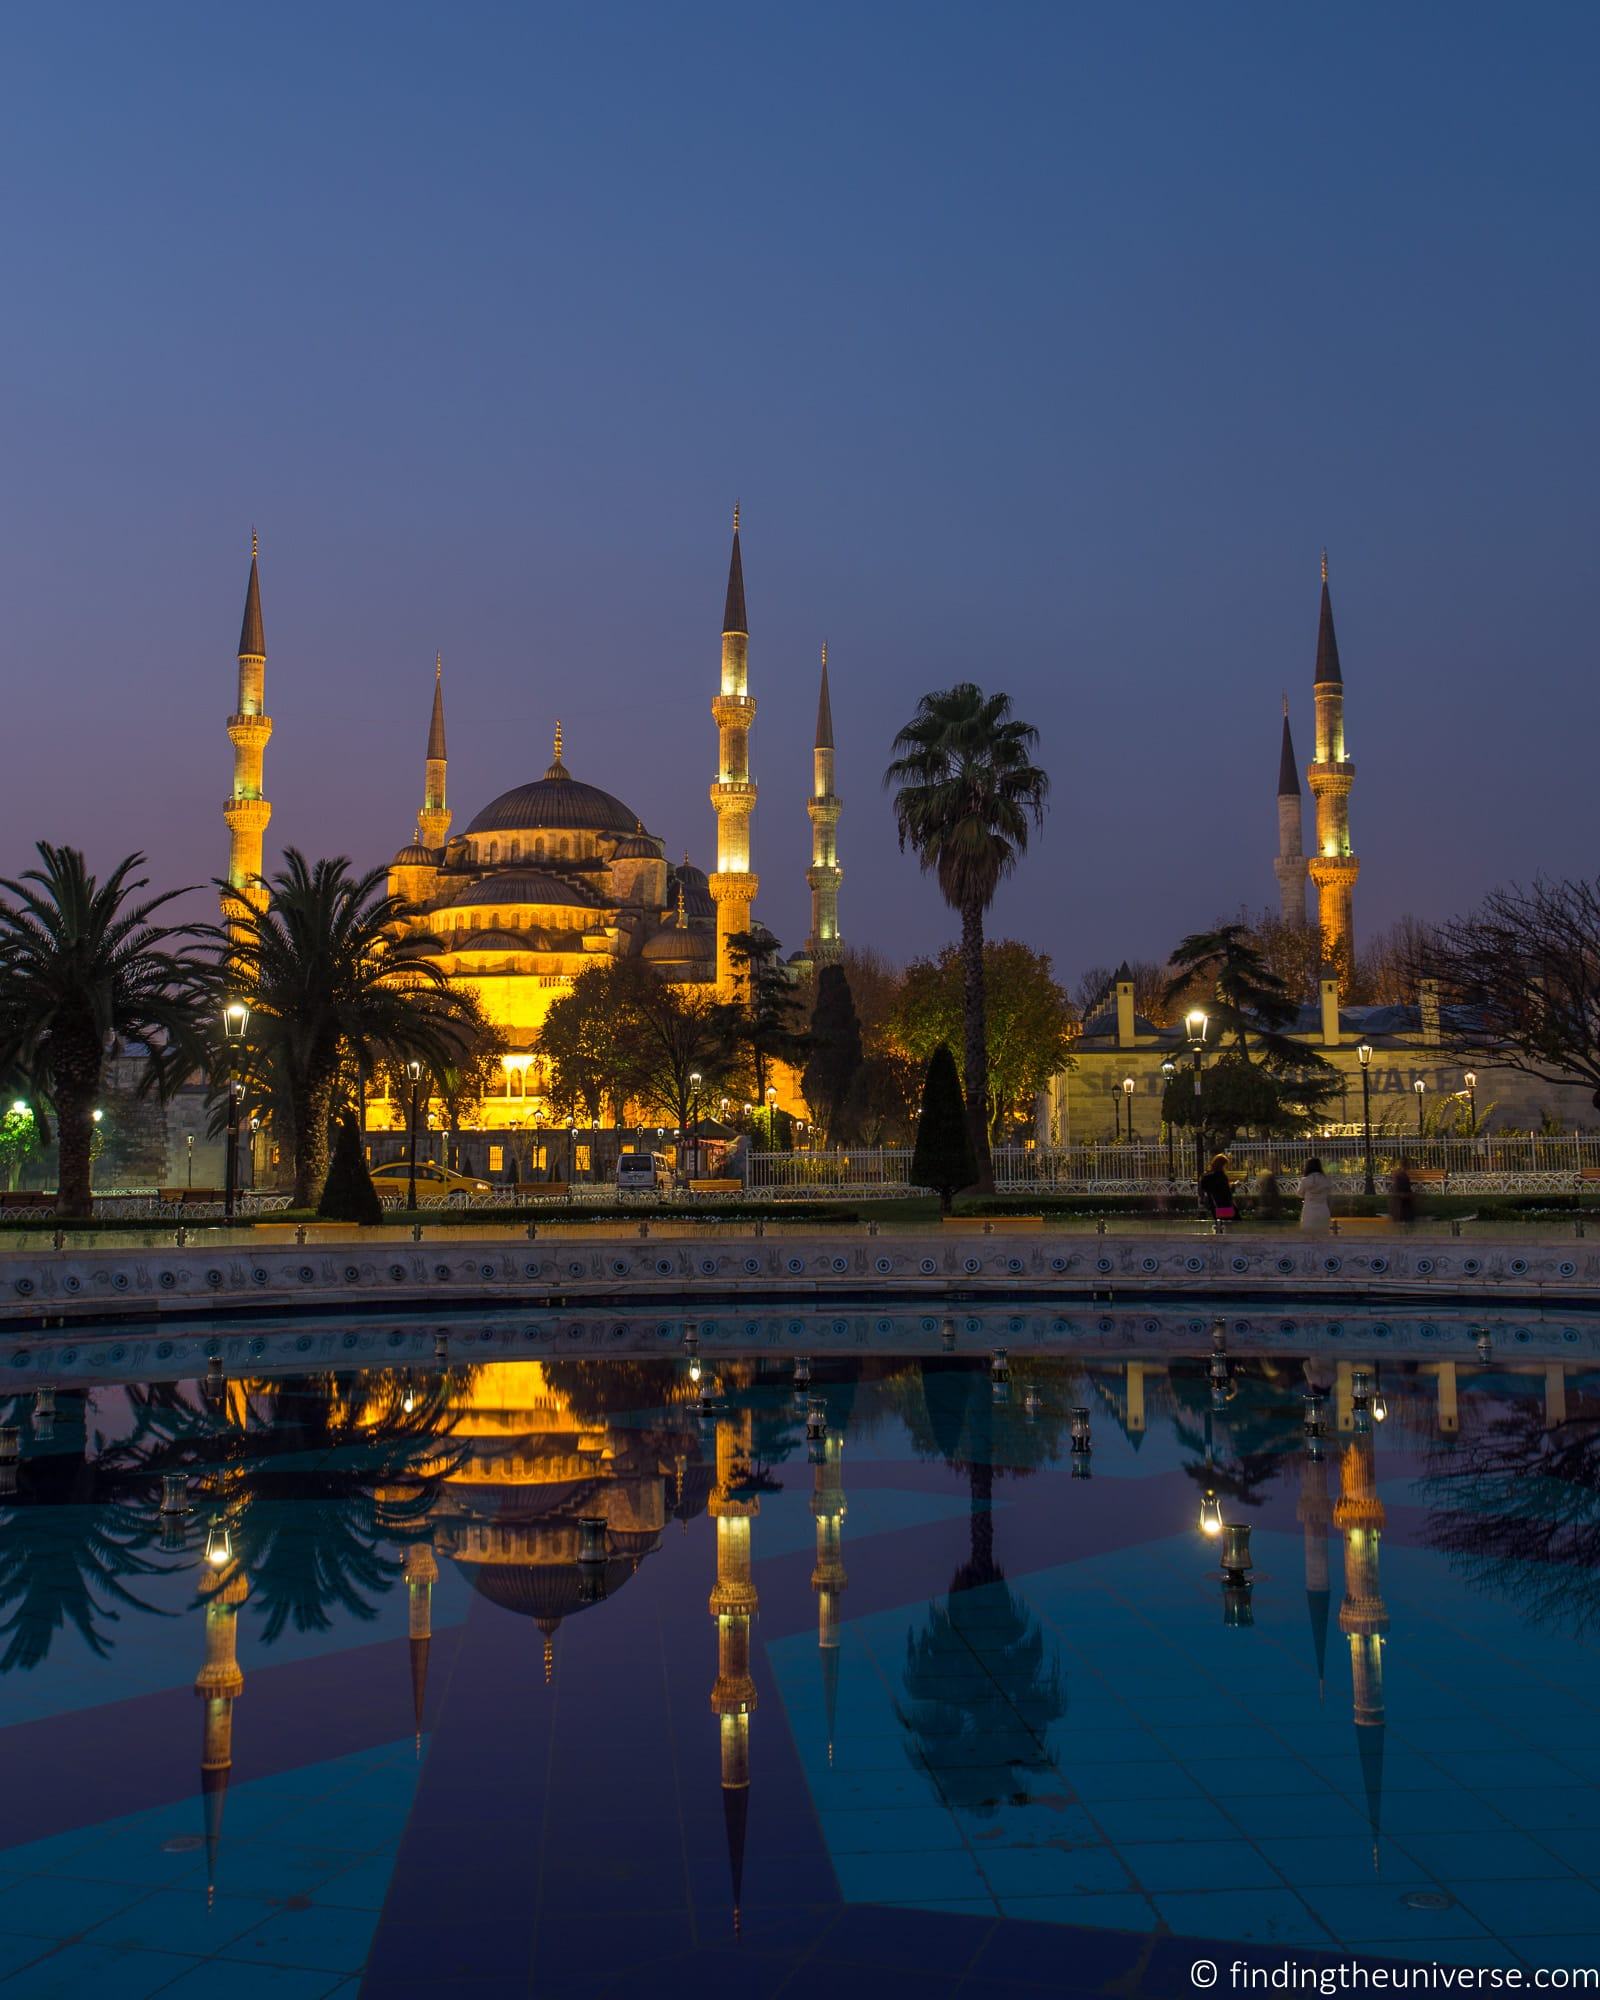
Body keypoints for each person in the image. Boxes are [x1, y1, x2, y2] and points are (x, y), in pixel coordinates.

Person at [1299, 1156, 1334, 1232]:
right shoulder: (1326, 1179)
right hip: (1323, 1211)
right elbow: (1330, 1192)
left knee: (1308, 1238)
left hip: (1309, 1212)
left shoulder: (1305, 1180)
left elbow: (1300, 1194)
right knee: (1324, 1236)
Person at [1199, 1152, 1236, 1223]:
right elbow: (1227, 1193)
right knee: (1230, 1227)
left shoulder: (1206, 1177)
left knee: (1219, 1225)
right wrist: (1233, 1186)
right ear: (1222, 1165)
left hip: (1214, 1206)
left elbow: (1203, 1191)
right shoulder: (1222, 1177)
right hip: (1225, 1207)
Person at [1389, 1158, 1415, 1226]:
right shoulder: (1400, 1175)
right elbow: (1398, 1188)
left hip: (1404, 1200)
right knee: (1404, 1222)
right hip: (1402, 1202)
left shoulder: (1402, 1174)